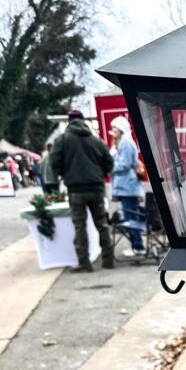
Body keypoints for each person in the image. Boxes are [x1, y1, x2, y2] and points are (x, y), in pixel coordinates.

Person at [50, 109, 116, 273]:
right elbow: (109, 162)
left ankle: (84, 262)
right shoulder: (96, 140)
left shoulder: (62, 140)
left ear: (69, 121)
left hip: (76, 190)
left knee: (80, 226)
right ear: (83, 120)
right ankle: (108, 260)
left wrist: (64, 174)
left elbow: (54, 162)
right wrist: (101, 174)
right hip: (96, 187)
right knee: (102, 224)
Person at [109, 116, 145, 257]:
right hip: (127, 187)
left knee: (131, 218)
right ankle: (136, 245)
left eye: (115, 127)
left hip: (128, 187)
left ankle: (138, 246)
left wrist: (110, 166)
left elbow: (125, 164)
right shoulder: (124, 142)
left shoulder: (126, 142)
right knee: (131, 217)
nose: (113, 130)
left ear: (121, 127)